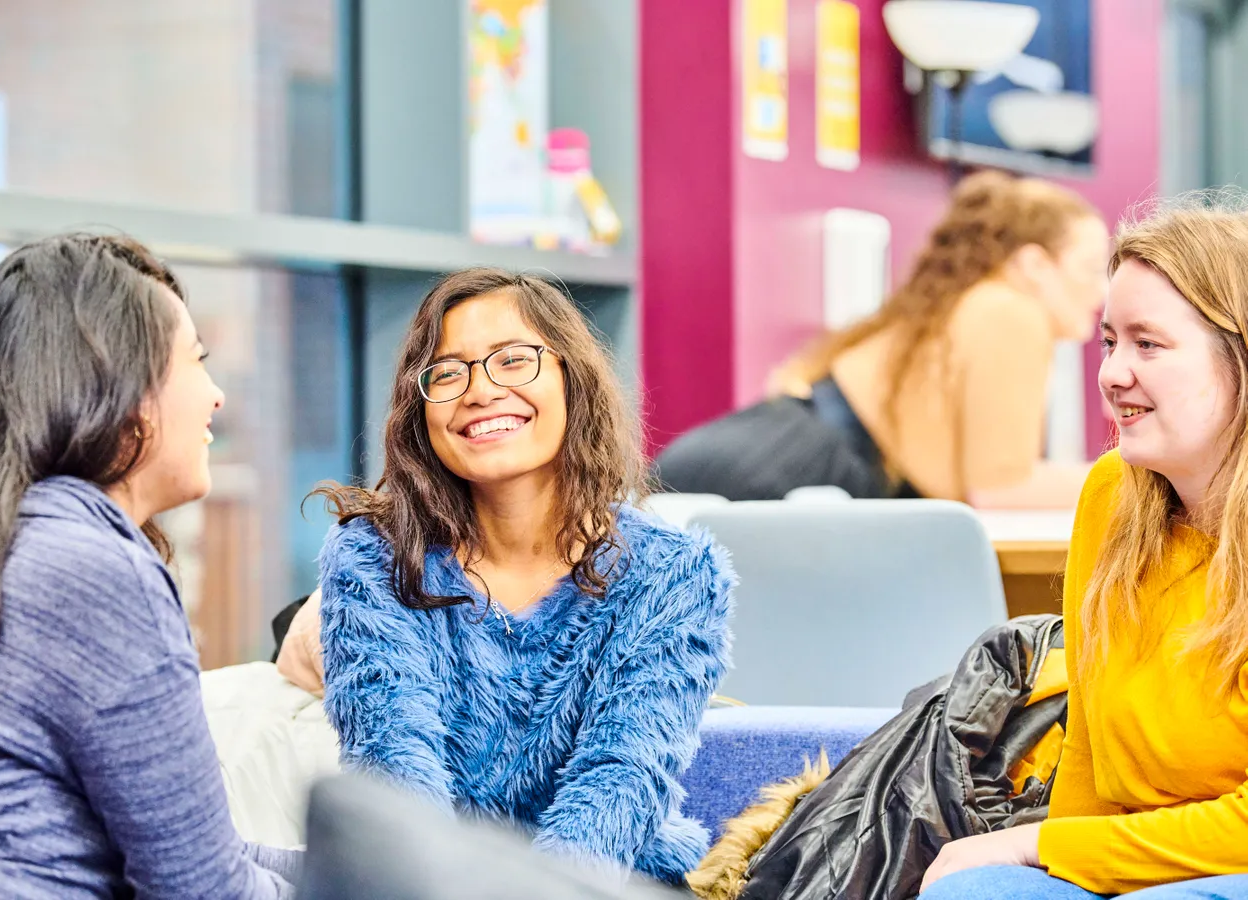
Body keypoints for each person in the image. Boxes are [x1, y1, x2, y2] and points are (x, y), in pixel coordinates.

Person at [276, 268, 734, 884]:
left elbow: (619, 783)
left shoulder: (674, 572)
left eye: (513, 360)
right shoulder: (374, 556)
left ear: (572, 377)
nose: (480, 390)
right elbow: (396, 774)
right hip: (430, 886)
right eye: (448, 372)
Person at [0, 235, 298, 898]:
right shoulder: (93, 573)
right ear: (126, 389)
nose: (217, 396)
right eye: (197, 362)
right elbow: (204, 892)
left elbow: (203, 850)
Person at [919, 195, 1248, 898]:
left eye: (1148, 343)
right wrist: (1050, 865)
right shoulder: (1113, 495)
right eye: (1109, 342)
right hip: (1132, 850)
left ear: (1239, 356)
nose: (1112, 373)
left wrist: (1042, 842)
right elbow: (1089, 755)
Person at [653, 170, 1110, 507]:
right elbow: (1001, 490)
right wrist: (1142, 480)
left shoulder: (970, 306)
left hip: (747, 463)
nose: (1104, 291)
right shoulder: (1011, 312)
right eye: (1091, 270)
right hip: (770, 478)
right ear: (1033, 265)